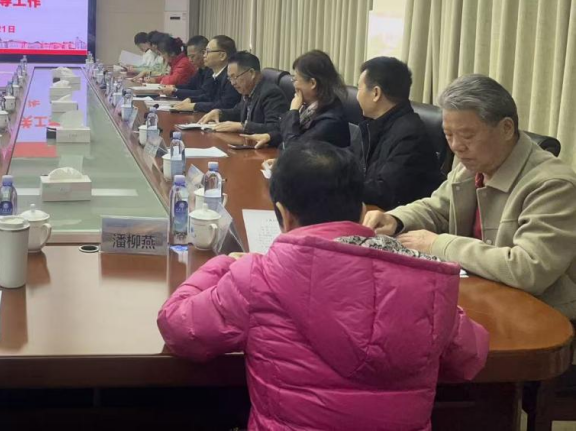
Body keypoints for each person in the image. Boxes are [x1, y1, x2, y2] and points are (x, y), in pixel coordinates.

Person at [158, 141, 488, 430]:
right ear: (361, 211)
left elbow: (177, 326)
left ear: (284, 215)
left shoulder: (257, 277)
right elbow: (470, 357)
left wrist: (224, 264)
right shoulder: (424, 283)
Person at [364, 74, 576, 319]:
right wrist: (395, 219)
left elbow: (529, 269)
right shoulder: (472, 165)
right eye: (448, 135)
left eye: (467, 136)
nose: (456, 146)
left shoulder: (553, 184)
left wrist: (438, 244)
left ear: (507, 128)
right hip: (479, 296)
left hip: (539, 316)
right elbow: (437, 208)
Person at [354, 57, 444, 209]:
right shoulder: (371, 124)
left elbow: (384, 192)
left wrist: (339, 187)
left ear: (376, 93)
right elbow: (350, 162)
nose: (357, 96)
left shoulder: (410, 135)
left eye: (359, 89)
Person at [198, 51, 286, 141]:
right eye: (230, 78)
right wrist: (219, 113)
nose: (232, 83)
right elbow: (238, 111)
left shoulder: (271, 93)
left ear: (251, 73)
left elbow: (275, 128)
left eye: (235, 77)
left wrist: (242, 126)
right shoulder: (248, 89)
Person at [276, 49, 350, 149]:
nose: (294, 85)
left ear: (312, 83)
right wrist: (270, 137)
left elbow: (294, 150)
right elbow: (288, 134)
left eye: (295, 80)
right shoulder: (310, 107)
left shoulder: (331, 121)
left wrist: (293, 112)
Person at [173, 35, 240, 113]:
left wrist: (194, 106)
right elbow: (208, 96)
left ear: (222, 56)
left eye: (207, 52)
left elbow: (225, 105)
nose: (204, 55)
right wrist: (190, 100)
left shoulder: (232, 77)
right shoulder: (216, 75)